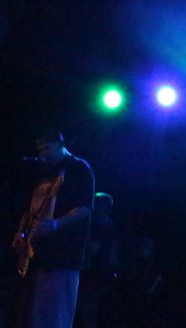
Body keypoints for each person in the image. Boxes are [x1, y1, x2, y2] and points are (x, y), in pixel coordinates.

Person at [13, 130, 95, 328]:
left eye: (47, 149)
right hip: (36, 255)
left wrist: (57, 224)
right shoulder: (44, 173)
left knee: (55, 317)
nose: (43, 155)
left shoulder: (78, 168)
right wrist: (21, 231)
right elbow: (32, 207)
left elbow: (85, 208)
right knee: (34, 317)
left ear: (60, 145)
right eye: (40, 150)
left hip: (63, 256)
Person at [76, 192, 118, 328]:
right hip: (98, 269)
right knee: (89, 305)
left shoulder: (100, 225)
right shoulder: (108, 225)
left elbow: (94, 249)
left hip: (94, 269)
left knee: (87, 304)